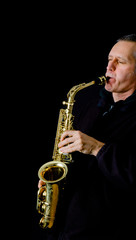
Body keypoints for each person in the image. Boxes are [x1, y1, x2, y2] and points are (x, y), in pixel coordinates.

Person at [38, 34, 136, 239]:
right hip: (65, 224)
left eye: (121, 61)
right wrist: (52, 182)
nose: (110, 67)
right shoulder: (89, 101)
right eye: (110, 59)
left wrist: (97, 148)